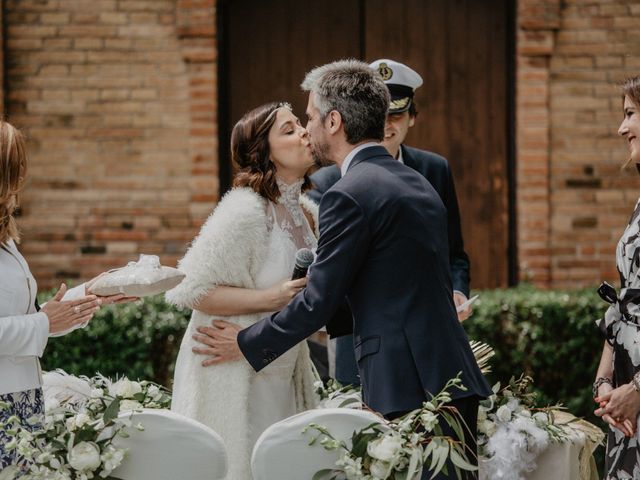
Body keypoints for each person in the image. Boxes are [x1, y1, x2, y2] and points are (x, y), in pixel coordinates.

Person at [203, 60, 491, 480]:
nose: (308, 128)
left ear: (334, 121)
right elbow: (385, 286)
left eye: (311, 118)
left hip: (405, 385)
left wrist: (246, 342)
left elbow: (319, 302)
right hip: (450, 379)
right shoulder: (417, 183)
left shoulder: (348, 194)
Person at [165, 102, 319, 480]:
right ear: (263, 153)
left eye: (300, 123)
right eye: (288, 130)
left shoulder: (308, 212)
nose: (303, 132)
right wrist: (271, 299)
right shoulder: (245, 210)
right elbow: (189, 288)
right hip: (233, 372)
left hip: (281, 370)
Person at [309, 58, 472, 385]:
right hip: (362, 342)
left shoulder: (433, 169)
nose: (387, 125)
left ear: (412, 117)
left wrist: (456, 289)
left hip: (428, 341)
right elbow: (327, 274)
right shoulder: (326, 182)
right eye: (380, 115)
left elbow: (453, 250)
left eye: (396, 115)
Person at [0, 121, 131, 470]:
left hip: (20, 401)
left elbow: (29, 316)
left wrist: (87, 295)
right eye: (15, 167)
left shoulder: (6, 240)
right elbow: (34, 322)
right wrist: (42, 321)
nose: (22, 176)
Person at [594, 75, 640, 478]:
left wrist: (638, 390)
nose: (621, 128)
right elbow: (625, 300)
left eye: (630, 114)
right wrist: (605, 380)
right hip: (627, 397)